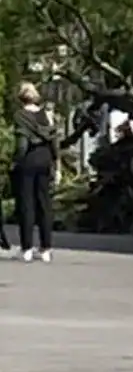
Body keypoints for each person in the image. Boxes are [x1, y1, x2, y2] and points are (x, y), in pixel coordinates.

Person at [11, 82, 58, 263]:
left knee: (27, 204)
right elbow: (54, 141)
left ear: (21, 98)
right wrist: (56, 162)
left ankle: (27, 248)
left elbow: (22, 144)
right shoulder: (46, 115)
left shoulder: (20, 116)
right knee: (44, 203)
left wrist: (16, 161)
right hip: (45, 159)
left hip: (29, 160)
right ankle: (46, 248)